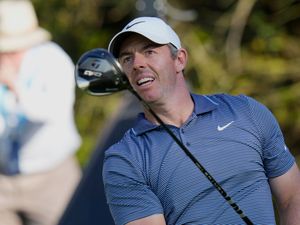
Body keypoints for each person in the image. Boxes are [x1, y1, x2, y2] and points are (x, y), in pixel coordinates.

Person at [102, 16, 300, 225]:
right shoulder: (124, 158)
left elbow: (293, 196)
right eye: (127, 59)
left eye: (149, 51)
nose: (137, 64)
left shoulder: (245, 111)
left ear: (179, 59)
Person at [0, 0, 82, 225]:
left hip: (52, 177)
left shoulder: (53, 62)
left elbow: (47, 112)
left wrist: (15, 86)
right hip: (4, 179)